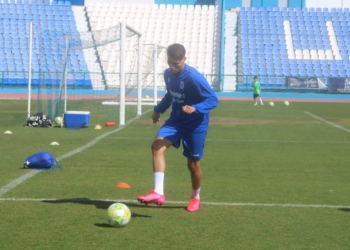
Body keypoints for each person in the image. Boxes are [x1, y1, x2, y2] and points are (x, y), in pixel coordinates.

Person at [137, 43, 219, 212]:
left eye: (177, 63)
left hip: (195, 125)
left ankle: (195, 197)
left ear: (184, 59)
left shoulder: (193, 77)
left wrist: (196, 108)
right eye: (170, 63)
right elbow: (170, 94)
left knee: (193, 165)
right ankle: (158, 192)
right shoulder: (168, 74)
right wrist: (158, 110)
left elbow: (213, 99)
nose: (173, 67)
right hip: (175, 120)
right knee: (156, 146)